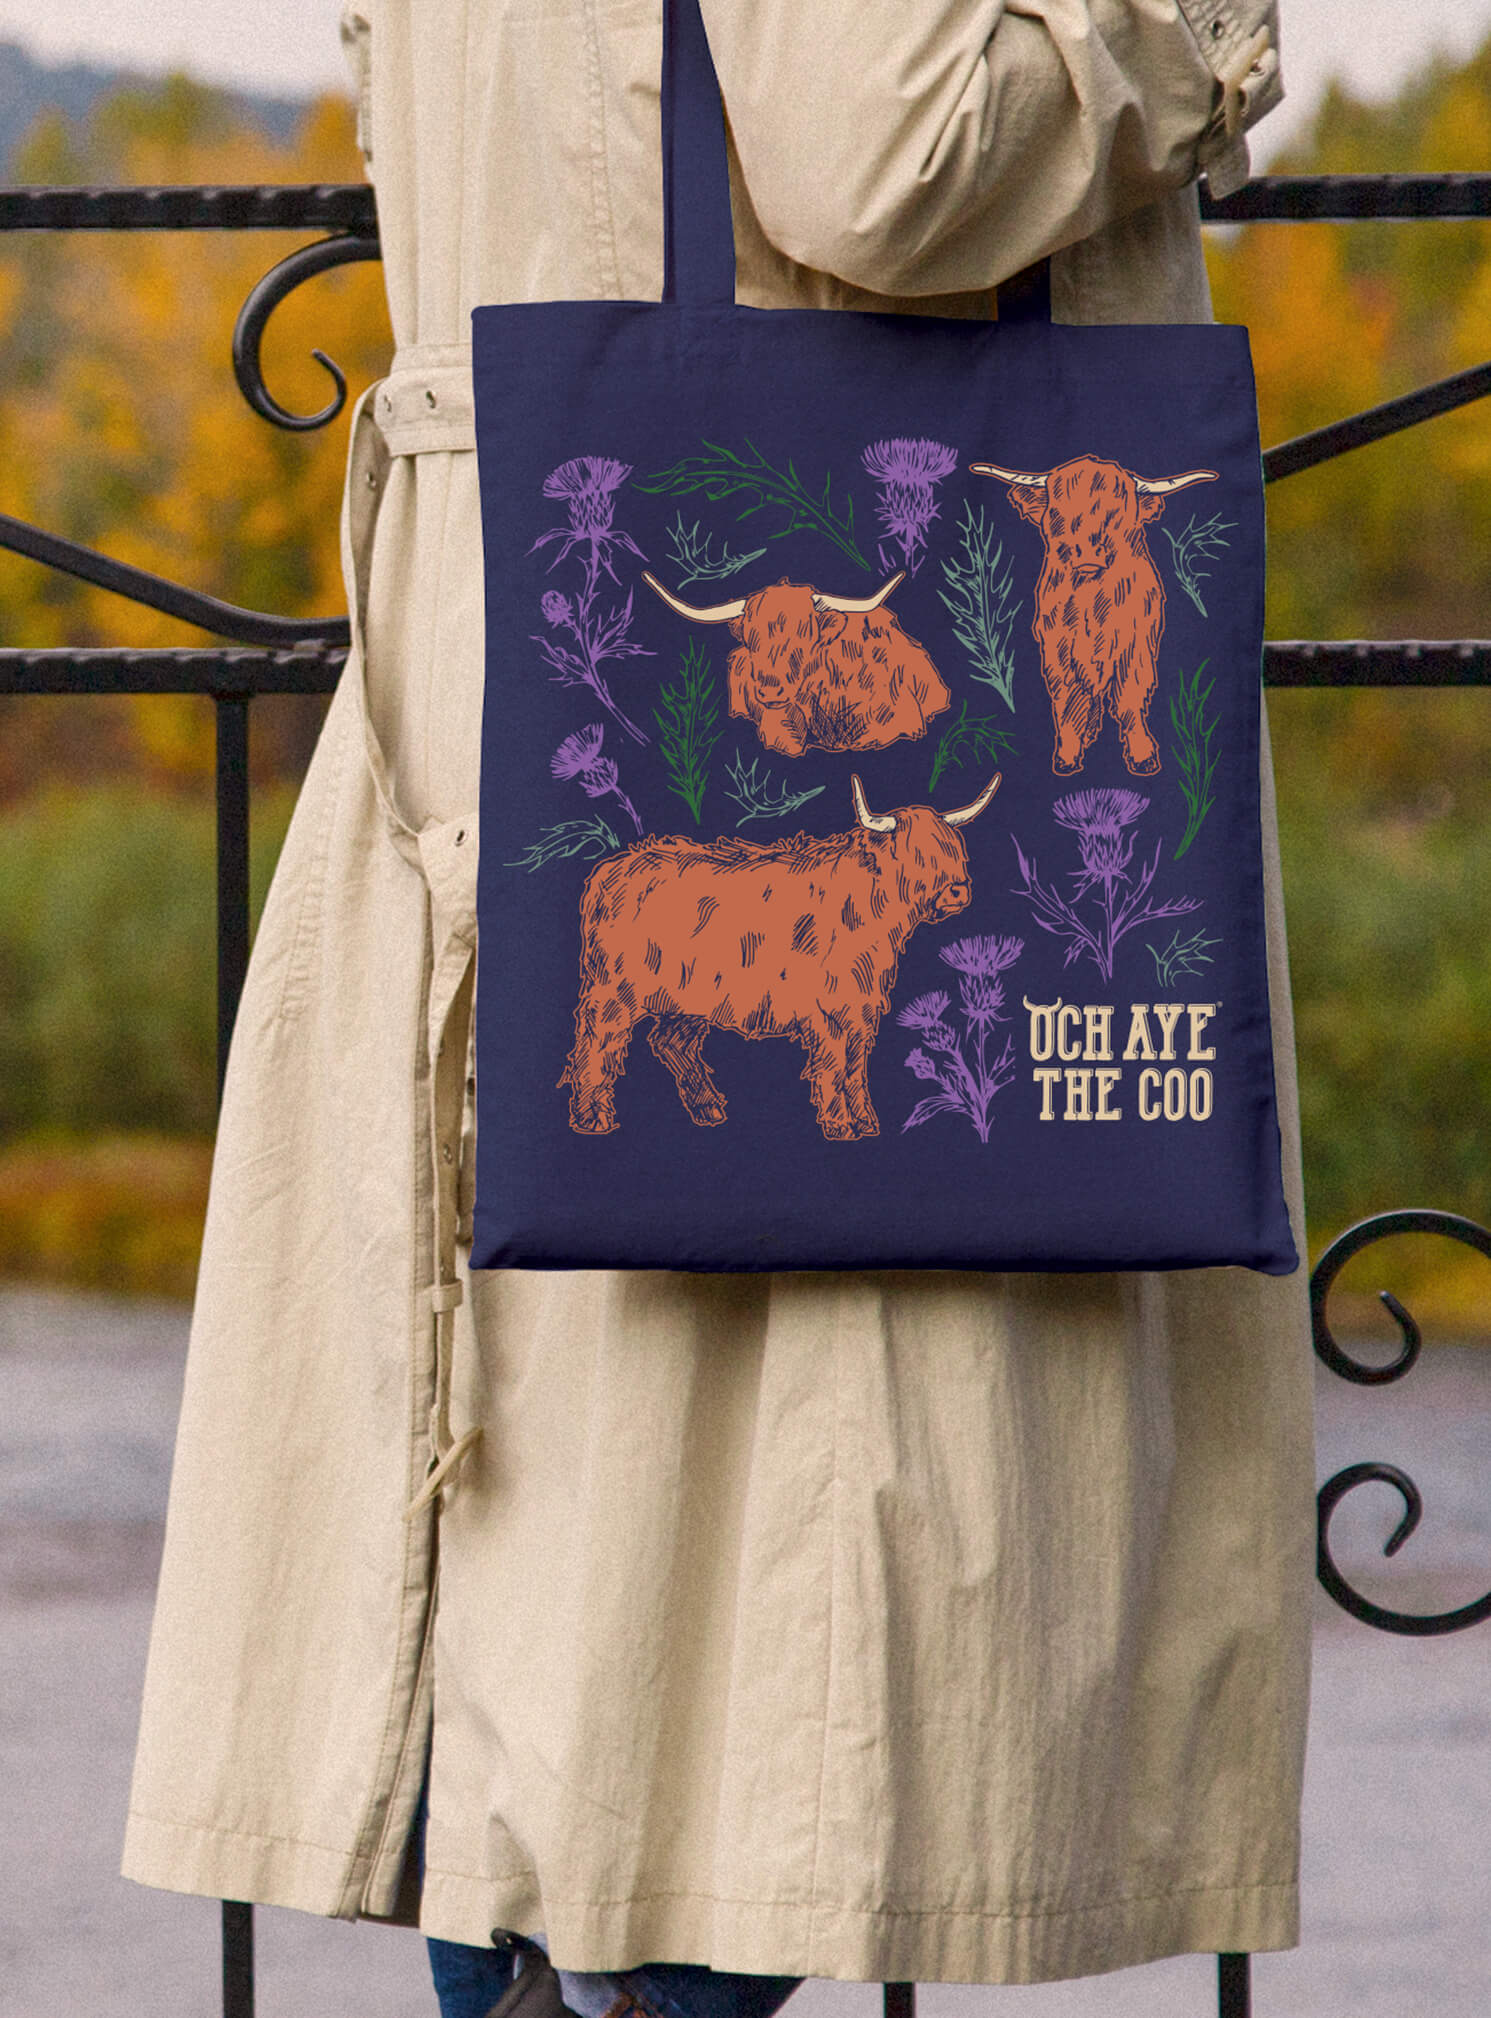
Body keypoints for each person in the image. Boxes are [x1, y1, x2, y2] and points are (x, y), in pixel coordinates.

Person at [124, 3, 1312, 2016]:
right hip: (733, 587)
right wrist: (1185, 32)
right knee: (743, 1706)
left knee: (570, 1678)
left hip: (525, 683)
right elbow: (892, 156)